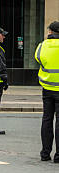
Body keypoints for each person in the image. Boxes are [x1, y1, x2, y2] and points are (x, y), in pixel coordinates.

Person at [35, 21, 59, 162]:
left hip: (47, 88)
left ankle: (45, 153)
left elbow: (38, 58)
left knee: (47, 119)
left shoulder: (42, 45)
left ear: (50, 31)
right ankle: (58, 156)